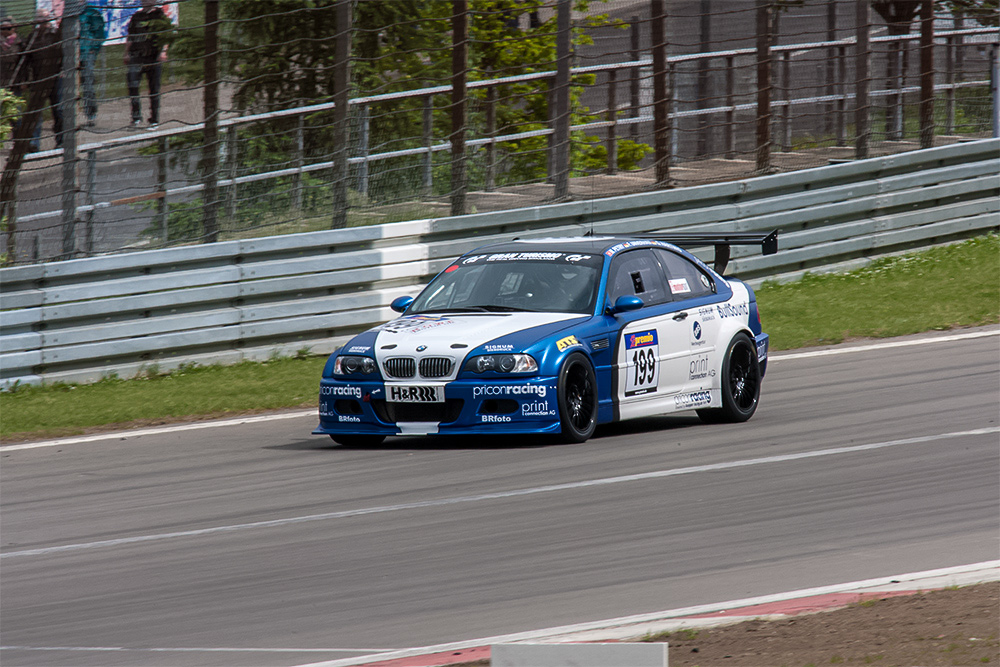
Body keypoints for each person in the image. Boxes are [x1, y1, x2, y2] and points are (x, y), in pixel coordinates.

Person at [125, 0, 171, 130]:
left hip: (153, 56)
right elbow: (130, 36)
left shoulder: (160, 16)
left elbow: (167, 36)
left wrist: (163, 51)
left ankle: (154, 120)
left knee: (154, 88)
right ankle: (136, 118)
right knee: (132, 85)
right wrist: (126, 53)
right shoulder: (136, 17)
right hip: (136, 56)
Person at [22, 9, 63, 152]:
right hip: (38, 80)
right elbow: (26, 60)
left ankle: (61, 140)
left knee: (59, 110)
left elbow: (65, 53)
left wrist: (63, 70)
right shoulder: (32, 37)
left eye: (44, 19)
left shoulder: (55, 35)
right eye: (40, 19)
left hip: (56, 78)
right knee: (35, 112)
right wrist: (26, 79)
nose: (42, 22)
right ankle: (34, 142)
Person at [79, 2, 105, 127]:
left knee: (87, 83)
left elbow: (99, 33)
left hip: (87, 52)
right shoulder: (69, 14)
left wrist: (93, 49)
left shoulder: (91, 13)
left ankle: (90, 115)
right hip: (71, 53)